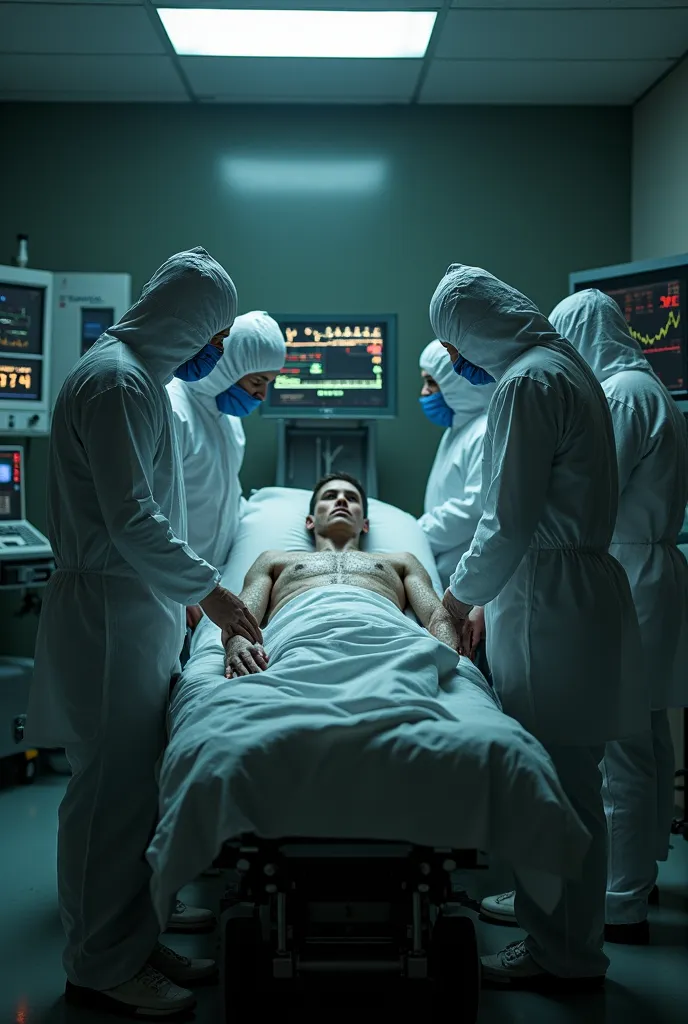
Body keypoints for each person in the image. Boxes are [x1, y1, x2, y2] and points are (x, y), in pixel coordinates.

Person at [26, 248, 263, 1020]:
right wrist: (214, 596)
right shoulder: (119, 381)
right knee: (108, 800)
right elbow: (133, 518)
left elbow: (143, 514)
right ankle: (99, 965)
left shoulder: (134, 378)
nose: (218, 351)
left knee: (133, 791)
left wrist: (186, 595)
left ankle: (129, 937)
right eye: (217, 334)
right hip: (109, 613)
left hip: (136, 606)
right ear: (189, 319)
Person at [429, 264, 647, 990]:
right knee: (571, 780)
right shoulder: (567, 367)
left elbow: (508, 517)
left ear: (476, 331)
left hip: (551, 602)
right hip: (567, 593)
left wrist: (455, 601)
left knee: (557, 784)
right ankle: (560, 938)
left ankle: (565, 954)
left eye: (457, 352)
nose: (461, 367)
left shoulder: (527, 381)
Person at [548, 288, 688, 943]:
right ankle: (645, 868)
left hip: (630, 575)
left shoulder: (623, 395)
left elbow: (592, 484)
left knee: (622, 742)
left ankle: (619, 901)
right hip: (649, 571)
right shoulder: (649, 386)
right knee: (650, 733)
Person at [224, 472, 459, 676]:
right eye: (330, 496)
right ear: (310, 521)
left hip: (386, 644)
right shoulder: (273, 560)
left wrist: (452, 659)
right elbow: (240, 616)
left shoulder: (402, 561)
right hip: (296, 642)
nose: (341, 501)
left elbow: (436, 616)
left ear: (365, 524)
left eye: (351, 498)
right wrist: (237, 645)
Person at [168, 311, 286, 634]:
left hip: (210, 589)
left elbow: (223, 498)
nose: (262, 396)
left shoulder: (228, 421)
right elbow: (150, 514)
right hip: (175, 588)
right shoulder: (174, 413)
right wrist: (187, 585)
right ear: (228, 368)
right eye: (258, 382)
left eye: (268, 384)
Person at [417, 339, 494, 590]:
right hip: (445, 567)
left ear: (455, 383)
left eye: (431, 382)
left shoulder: (483, 432)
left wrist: (416, 532)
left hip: (463, 574)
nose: (424, 393)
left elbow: (474, 510)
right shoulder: (457, 431)